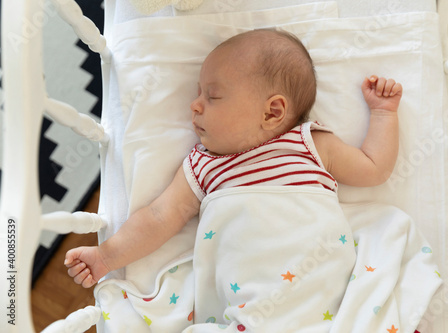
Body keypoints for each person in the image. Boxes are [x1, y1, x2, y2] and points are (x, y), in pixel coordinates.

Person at [65, 28, 402, 328]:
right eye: (198, 93)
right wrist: (107, 256)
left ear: (272, 112)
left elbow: (373, 168)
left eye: (212, 96)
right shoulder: (203, 165)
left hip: (323, 298)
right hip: (247, 306)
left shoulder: (309, 144)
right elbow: (158, 217)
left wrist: (383, 114)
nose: (194, 105)